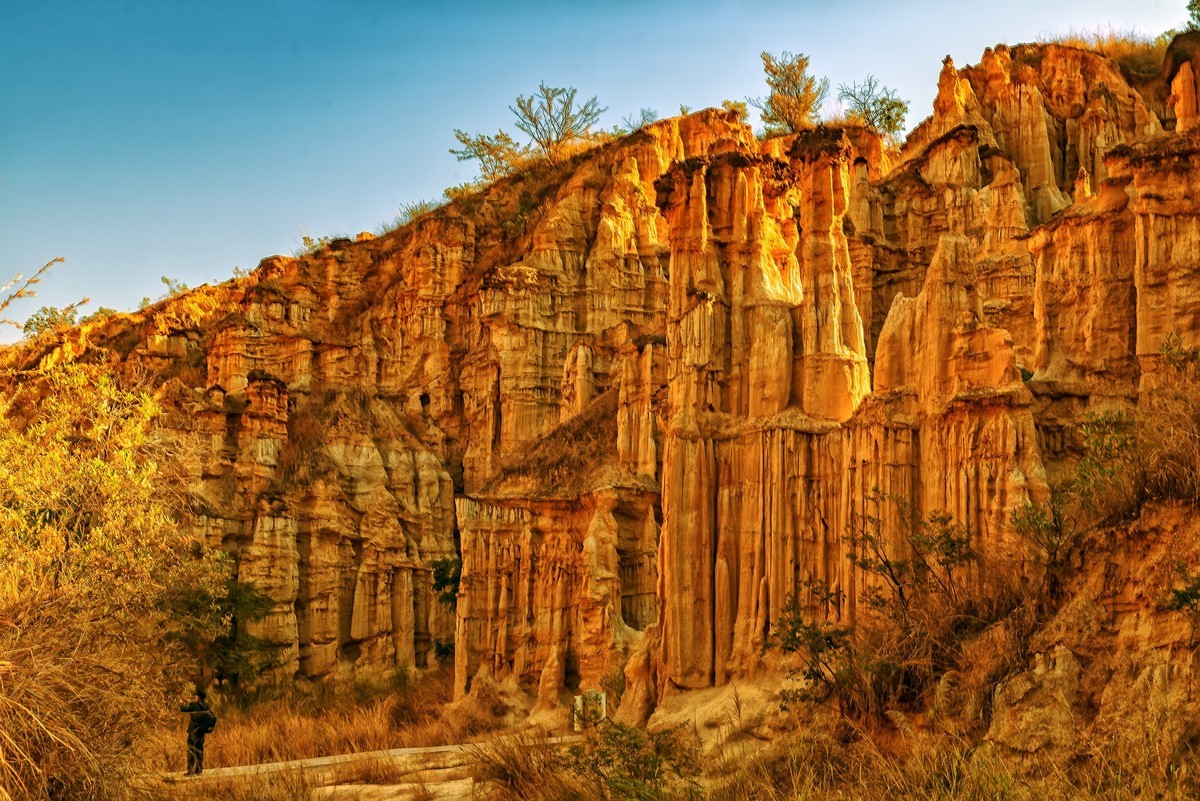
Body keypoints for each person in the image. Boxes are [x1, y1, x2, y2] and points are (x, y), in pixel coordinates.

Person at [179, 687, 217, 776]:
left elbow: (183, 709)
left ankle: (191, 770)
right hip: (201, 731)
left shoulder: (195, 705)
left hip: (193, 731)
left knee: (191, 750)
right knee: (199, 750)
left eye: (196, 696)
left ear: (198, 697)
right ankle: (199, 769)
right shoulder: (206, 705)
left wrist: (180, 703)